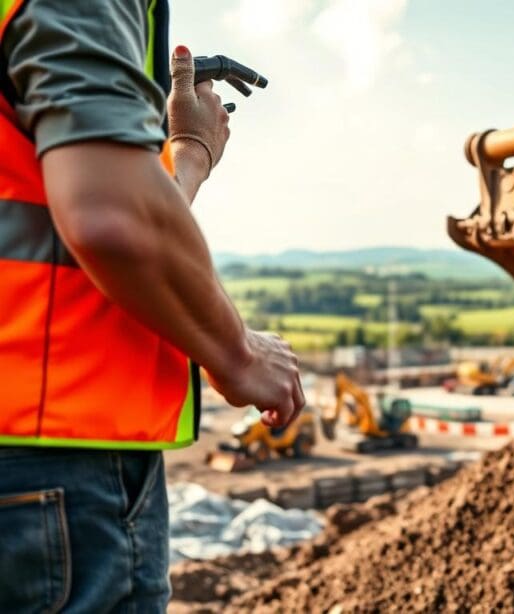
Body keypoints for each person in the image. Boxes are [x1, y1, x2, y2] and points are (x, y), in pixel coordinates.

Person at [0, 1, 304, 611]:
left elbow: (65, 219)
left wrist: (187, 154)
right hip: (51, 457)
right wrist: (238, 352)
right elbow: (112, 220)